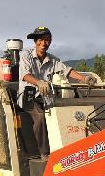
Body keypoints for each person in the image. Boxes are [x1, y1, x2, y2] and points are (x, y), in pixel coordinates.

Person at [17, 26, 96, 160]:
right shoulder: (26, 55)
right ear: (35, 41)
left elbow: (67, 71)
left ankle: (66, 149)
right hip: (28, 97)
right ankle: (44, 153)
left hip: (46, 97)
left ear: (50, 42)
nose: (43, 44)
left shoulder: (53, 60)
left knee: (63, 115)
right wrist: (39, 82)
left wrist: (84, 78)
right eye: (40, 40)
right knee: (41, 117)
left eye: (47, 40)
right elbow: (25, 75)